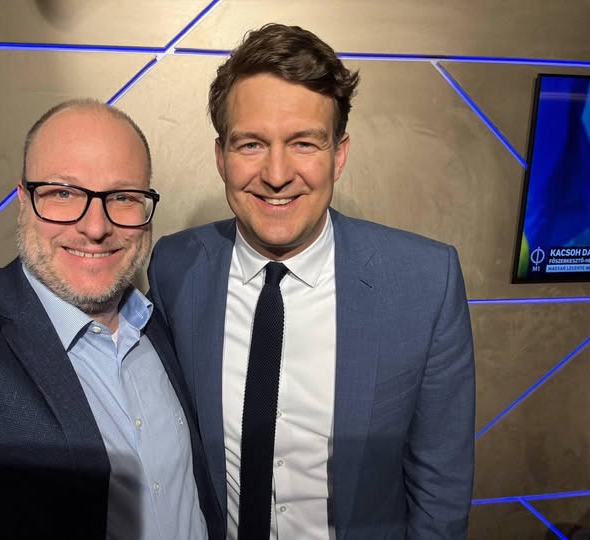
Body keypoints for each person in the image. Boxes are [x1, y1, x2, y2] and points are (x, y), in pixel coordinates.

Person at [148, 23, 475, 540]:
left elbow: (441, 487)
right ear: (221, 156)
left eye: (303, 142)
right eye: (251, 144)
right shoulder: (174, 267)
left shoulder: (426, 283)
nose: (277, 174)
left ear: (338, 154)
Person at [0, 99, 222, 540]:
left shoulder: (164, 324)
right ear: (22, 200)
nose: (95, 227)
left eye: (123, 197)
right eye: (63, 193)